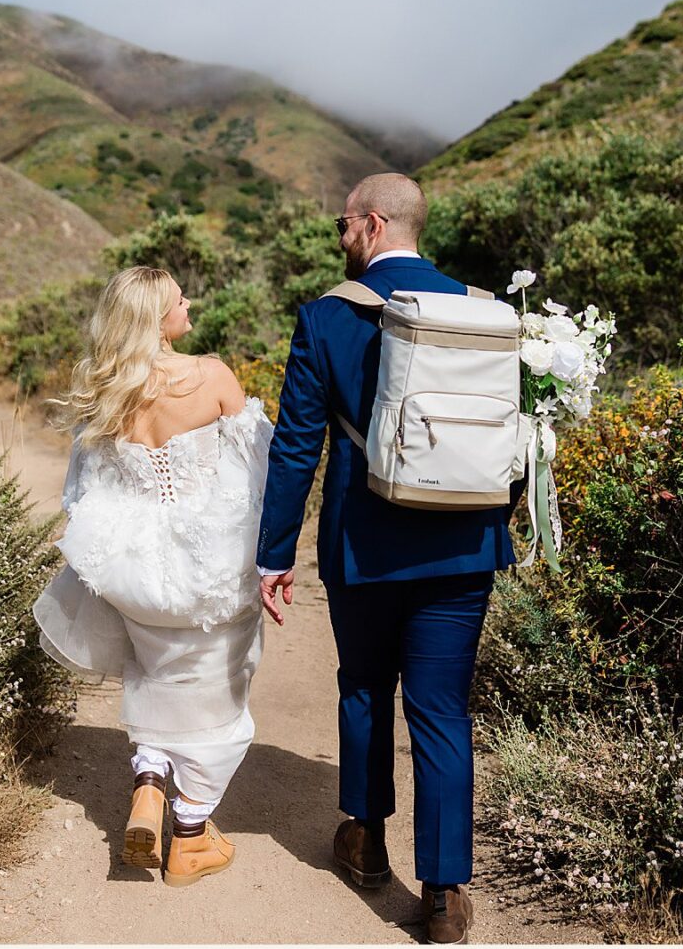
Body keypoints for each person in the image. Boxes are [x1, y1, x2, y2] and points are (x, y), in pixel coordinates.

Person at [256, 173, 524, 943]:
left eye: (343, 224)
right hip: (464, 542)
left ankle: (366, 843)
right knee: (441, 710)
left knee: (365, 685)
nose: (339, 237)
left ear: (373, 224)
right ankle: (443, 896)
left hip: (363, 543)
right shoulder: (483, 312)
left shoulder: (326, 319)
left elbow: (297, 449)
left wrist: (274, 554)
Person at [33, 266, 274, 888]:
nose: (188, 303)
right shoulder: (212, 375)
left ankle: (148, 783)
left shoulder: (105, 387)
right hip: (210, 565)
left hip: (136, 569)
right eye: (177, 299)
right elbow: (258, 469)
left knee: (154, 669)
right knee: (221, 688)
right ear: (156, 316)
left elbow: (83, 489)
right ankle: (191, 833)